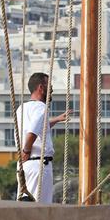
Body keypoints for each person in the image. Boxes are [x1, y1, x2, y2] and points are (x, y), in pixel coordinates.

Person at [16, 72, 69, 203]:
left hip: (25, 166)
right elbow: (32, 132)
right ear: (41, 87)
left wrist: (56, 120)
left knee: (25, 203)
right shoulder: (41, 107)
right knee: (40, 208)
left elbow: (38, 128)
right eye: (49, 85)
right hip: (38, 164)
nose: (51, 89)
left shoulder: (22, 108)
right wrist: (26, 151)